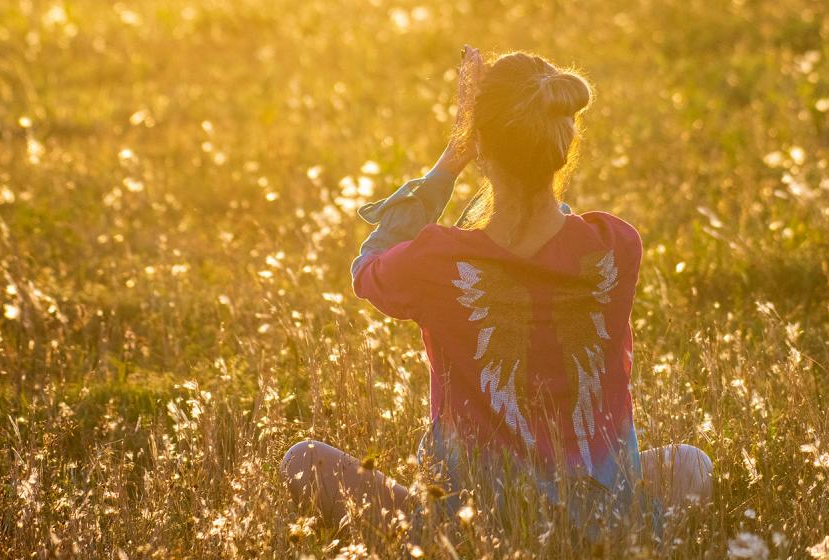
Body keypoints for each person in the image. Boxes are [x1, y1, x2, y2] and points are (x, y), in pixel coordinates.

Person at [280, 46, 712, 538]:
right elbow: (549, 236)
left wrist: (452, 157)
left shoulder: (438, 260)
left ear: (480, 142)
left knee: (304, 461)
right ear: (563, 143)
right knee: (691, 465)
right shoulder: (616, 247)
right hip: (597, 520)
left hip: (468, 527)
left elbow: (367, 267)